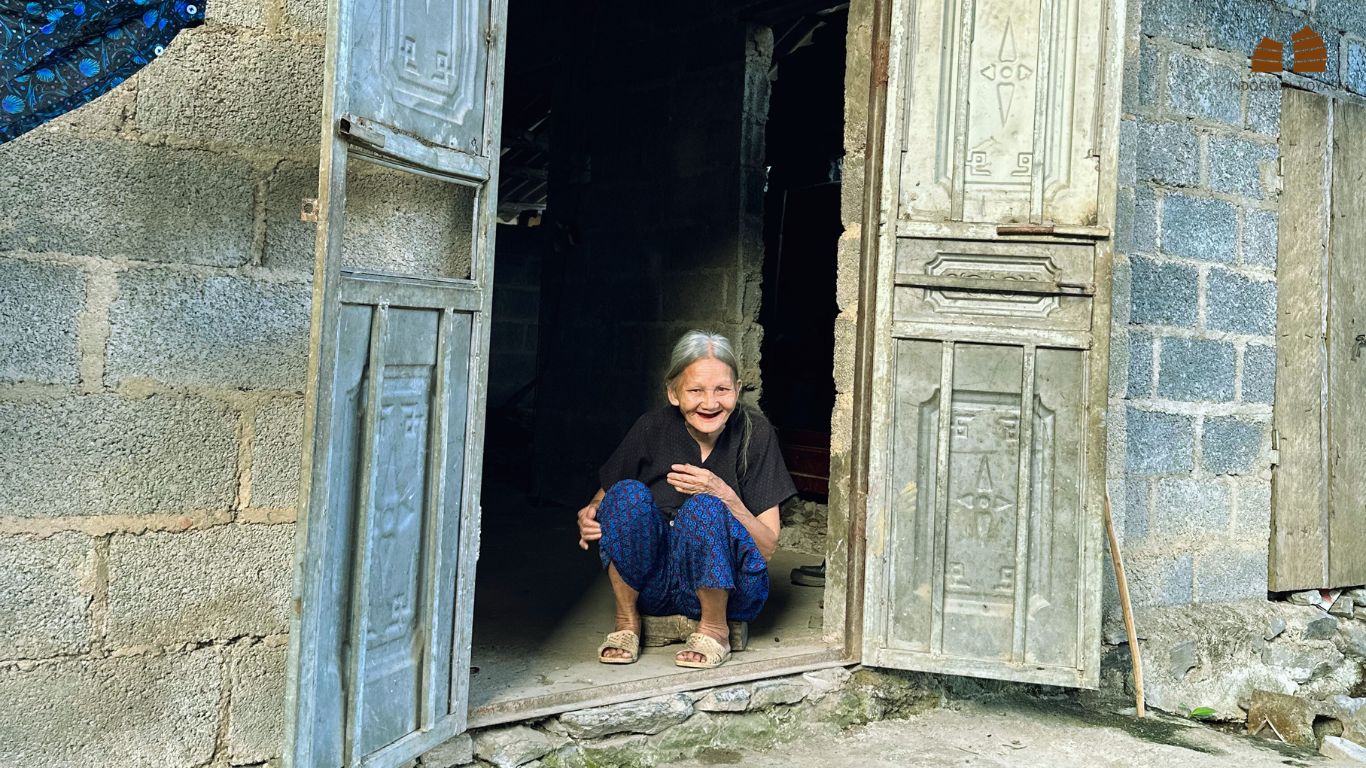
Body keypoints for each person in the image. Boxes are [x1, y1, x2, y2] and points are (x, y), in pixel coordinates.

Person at [576, 330, 797, 669]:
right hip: (657, 587)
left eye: (722, 389)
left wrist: (721, 492)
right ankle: (626, 621)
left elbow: (767, 546)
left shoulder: (756, 433)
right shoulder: (652, 427)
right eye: (695, 390)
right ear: (674, 393)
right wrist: (591, 513)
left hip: (733, 592)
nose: (710, 403)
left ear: (737, 390)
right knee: (625, 494)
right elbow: (606, 493)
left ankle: (713, 628)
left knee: (705, 507)